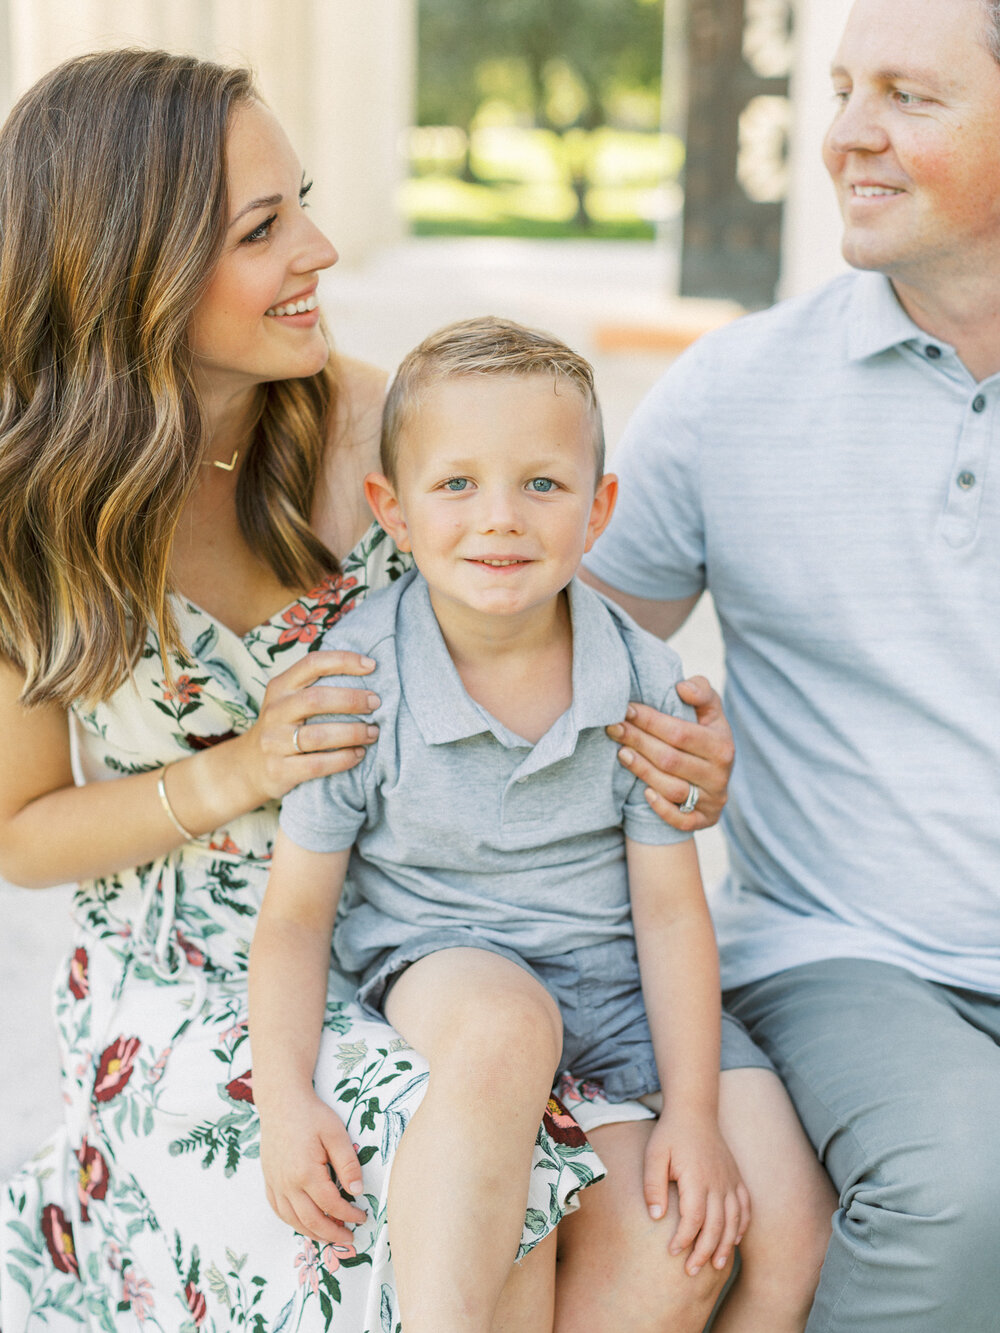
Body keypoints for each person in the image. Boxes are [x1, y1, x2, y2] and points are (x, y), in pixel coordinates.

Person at [0, 50, 730, 1333]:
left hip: (431, 934)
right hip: (193, 978)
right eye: (263, 228)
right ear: (134, 265)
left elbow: (565, 650)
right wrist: (230, 773)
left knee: (670, 1251)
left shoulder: (393, 436)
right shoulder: (31, 517)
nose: (321, 249)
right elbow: (23, 832)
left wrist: (668, 750)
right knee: (409, 1233)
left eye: (305, 202)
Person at [251, 317, 834, 1333]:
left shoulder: (640, 683)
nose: (500, 520)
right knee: (510, 1027)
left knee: (789, 1218)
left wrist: (691, 1115)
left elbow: (668, 914)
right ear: (390, 507)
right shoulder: (359, 682)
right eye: (457, 484)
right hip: (449, 957)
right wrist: (282, 1100)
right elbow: (297, 917)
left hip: (618, 990)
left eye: (542, 484)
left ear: (598, 509)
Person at [581, 0, 1000, 1328]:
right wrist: (662, 741)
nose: (846, 137)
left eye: (909, 98)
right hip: (850, 952)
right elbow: (555, 656)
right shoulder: (736, 391)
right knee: (958, 1189)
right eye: (841, 89)